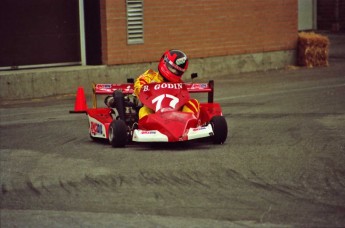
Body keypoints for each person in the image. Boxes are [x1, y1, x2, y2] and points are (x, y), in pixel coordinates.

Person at [133, 49, 200, 119]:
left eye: (177, 71)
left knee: (193, 103)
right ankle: (150, 128)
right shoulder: (149, 77)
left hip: (176, 116)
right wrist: (149, 90)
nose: (174, 71)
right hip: (155, 113)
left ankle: (188, 126)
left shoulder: (179, 84)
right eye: (173, 68)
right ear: (165, 61)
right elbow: (138, 88)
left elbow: (183, 98)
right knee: (144, 110)